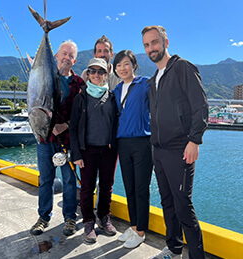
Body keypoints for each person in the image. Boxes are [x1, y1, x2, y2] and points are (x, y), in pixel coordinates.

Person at [142, 26, 209, 259]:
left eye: (154, 42)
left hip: (179, 149)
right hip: (158, 150)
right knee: (167, 202)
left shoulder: (182, 68)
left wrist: (194, 141)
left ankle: (197, 257)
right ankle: (174, 249)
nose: (151, 48)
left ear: (165, 41)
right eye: (147, 45)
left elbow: (200, 105)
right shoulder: (153, 80)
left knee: (183, 205)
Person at [30, 40, 85, 236]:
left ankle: (70, 218)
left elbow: (82, 113)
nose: (67, 58)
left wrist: (66, 124)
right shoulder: (45, 77)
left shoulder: (79, 83)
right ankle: (43, 217)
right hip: (45, 140)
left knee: (69, 181)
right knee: (45, 180)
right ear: (56, 56)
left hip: (67, 141)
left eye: (71, 55)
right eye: (64, 53)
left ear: (75, 60)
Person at [70, 58, 118, 244]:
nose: (96, 75)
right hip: (87, 150)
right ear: (87, 74)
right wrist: (76, 154)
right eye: (93, 71)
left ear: (106, 75)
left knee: (107, 187)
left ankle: (104, 218)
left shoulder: (112, 97)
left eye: (100, 72)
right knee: (87, 188)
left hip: (108, 150)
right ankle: (89, 221)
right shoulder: (80, 98)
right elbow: (73, 128)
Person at [112, 50, 153, 249]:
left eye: (126, 64)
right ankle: (133, 225)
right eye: (118, 65)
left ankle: (141, 231)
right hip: (123, 144)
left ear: (134, 65)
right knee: (129, 188)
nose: (122, 68)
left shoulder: (145, 84)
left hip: (142, 142)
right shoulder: (117, 90)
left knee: (141, 189)